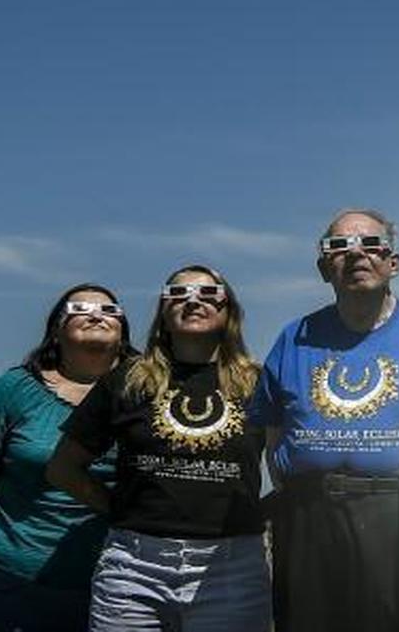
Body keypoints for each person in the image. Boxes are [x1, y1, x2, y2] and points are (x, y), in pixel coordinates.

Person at [248, 209, 399, 632]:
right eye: (339, 246)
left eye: (371, 244)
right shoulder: (294, 336)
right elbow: (273, 430)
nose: (356, 254)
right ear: (324, 268)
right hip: (308, 520)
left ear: (394, 263)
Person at [46, 265, 269, 631]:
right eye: (178, 294)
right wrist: (118, 507)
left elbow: (291, 461)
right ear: (163, 311)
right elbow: (63, 469)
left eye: (208, 294)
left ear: (229, 311)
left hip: (231, 569)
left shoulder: (259, 384)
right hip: (133, 569)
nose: (193, 301)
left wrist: (265, 512)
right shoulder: (127, 380)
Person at [0, 283, 134, 632]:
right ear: (56, 332)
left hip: (127, 577)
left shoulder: (149, 393)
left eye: (109, 311)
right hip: (16, 577)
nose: (96, 315)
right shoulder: (12, 392)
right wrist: (16, 518)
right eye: (80, 310)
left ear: (123, 332)